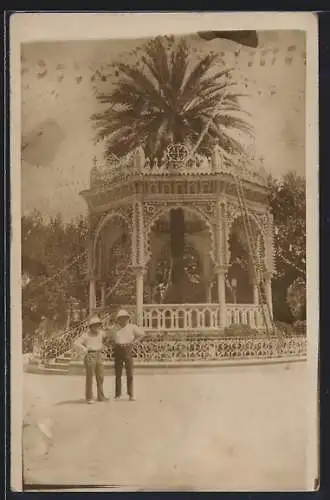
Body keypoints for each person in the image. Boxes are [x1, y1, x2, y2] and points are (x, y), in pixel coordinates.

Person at [109, 309, 145, 401]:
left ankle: (131, 394)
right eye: (121, 318)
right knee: (118, 374)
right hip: (118, 350)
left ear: (128, 319)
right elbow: (106, 337)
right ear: (118, 319)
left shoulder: (132, 327)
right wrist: (112, 344)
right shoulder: (114, 328)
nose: (123, 320)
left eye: (125, 318)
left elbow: (142, 334)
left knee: (130, 374)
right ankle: (117, 394)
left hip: (128, 349)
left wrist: (134, 342)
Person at [74, 315, 108, 404]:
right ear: (91, 326)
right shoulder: (86, 335)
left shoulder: (101, 333)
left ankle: (101, 396)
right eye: (94, 325)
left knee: (100, 377)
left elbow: (106, 338)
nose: (96, 327)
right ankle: (89, 397)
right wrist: (84, 348)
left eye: (98, 325)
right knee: (90, 378)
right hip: (90, 355)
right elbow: (76, 343)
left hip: (99, 355)